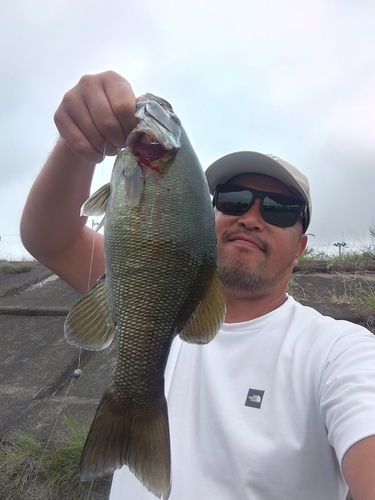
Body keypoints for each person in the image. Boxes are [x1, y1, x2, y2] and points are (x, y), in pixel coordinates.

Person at [20, 71, 375, 500]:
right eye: (234, 200)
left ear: (300, 248)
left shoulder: (340, 352)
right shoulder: (151, 280)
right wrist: (78, 146)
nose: (251, 216)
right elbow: (49, 238)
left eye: (280, 209)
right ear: (208, 217)